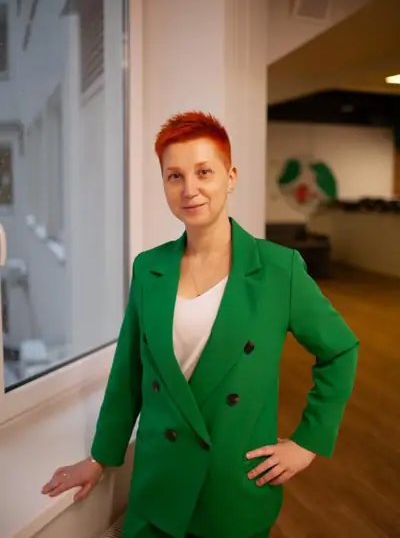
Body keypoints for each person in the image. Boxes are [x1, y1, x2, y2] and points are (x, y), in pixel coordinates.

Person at [42, 112, 359, 538]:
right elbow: (129, 374)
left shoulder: (278, 269)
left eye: (203, 172)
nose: (189, 189)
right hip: (157, 487)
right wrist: (100, 458)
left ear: (231, 177)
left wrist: (307, 443)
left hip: (231, 492)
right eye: (174, 176)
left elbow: (340, 350)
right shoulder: (149, 268)